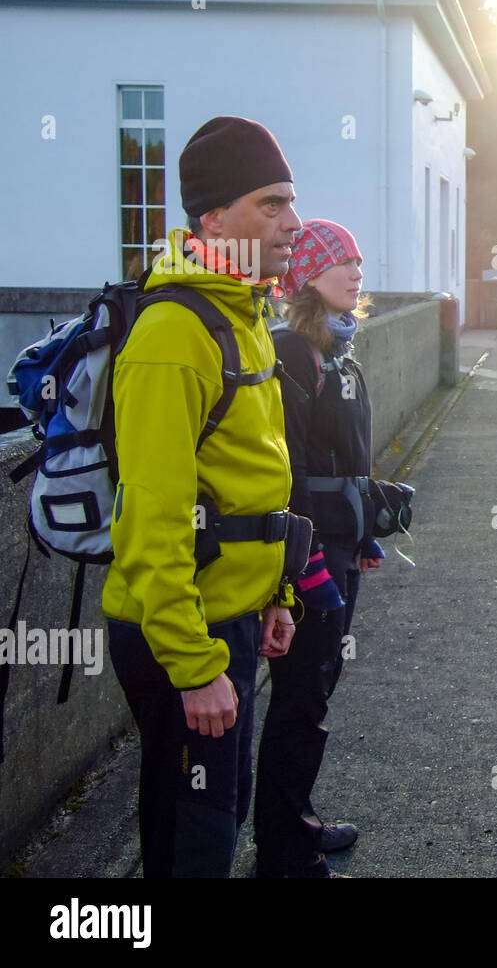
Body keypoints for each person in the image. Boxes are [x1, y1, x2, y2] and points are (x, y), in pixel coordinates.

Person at [102, 116, 307, 878]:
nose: (294, 223)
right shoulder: (172, 333)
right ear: (213, 217)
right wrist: (193, 666)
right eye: (273, 204)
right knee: (196, 840)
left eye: (292, 202)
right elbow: (151, 524)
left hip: (230, 614)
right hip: (182, 629)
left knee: (215, 815)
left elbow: (255, 476)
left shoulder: (243, 311)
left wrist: (277, 590)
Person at [253, 219, 384, 879]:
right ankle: (281, 851)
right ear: (307, 273)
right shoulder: (289, 353)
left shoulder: (340, 351)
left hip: (339, 549)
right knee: (299, 697)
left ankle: (296, 820)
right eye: (343, 260)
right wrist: (307, 571)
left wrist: (366, 531)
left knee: (316, 693)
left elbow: (348, 458)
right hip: (308, 562)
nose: (357, 270)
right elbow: (291, 472)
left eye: (360, 260)